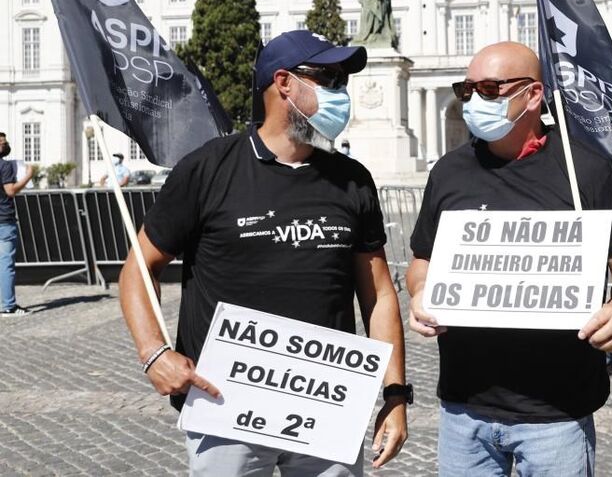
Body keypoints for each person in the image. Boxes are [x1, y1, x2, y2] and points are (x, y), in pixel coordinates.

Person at [119, 31, 409, 476]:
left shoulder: (353, 180)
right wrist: (153, 354)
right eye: (328, 78)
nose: (341, 92)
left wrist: (394, 395)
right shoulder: (208, 168)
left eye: (342, 80)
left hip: (326, 407)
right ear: (284, 83)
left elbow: (380, 296)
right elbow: (139, 269)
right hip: (224, 406)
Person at [406, 42, 612, 476]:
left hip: (557, 411)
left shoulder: (586, 170)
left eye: (491, 89)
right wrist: (421, 292)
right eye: (468, 90)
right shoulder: (447, 173)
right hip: (465, 407)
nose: (476, 100)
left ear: (534, 95)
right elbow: (421, 263)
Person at [1, 132, 34, 317]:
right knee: (6, 264)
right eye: (2, 143)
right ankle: (8, 306)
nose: (5, 145)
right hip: (4, 220)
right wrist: (28, 176)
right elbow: (10, 190)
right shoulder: (4, 166)